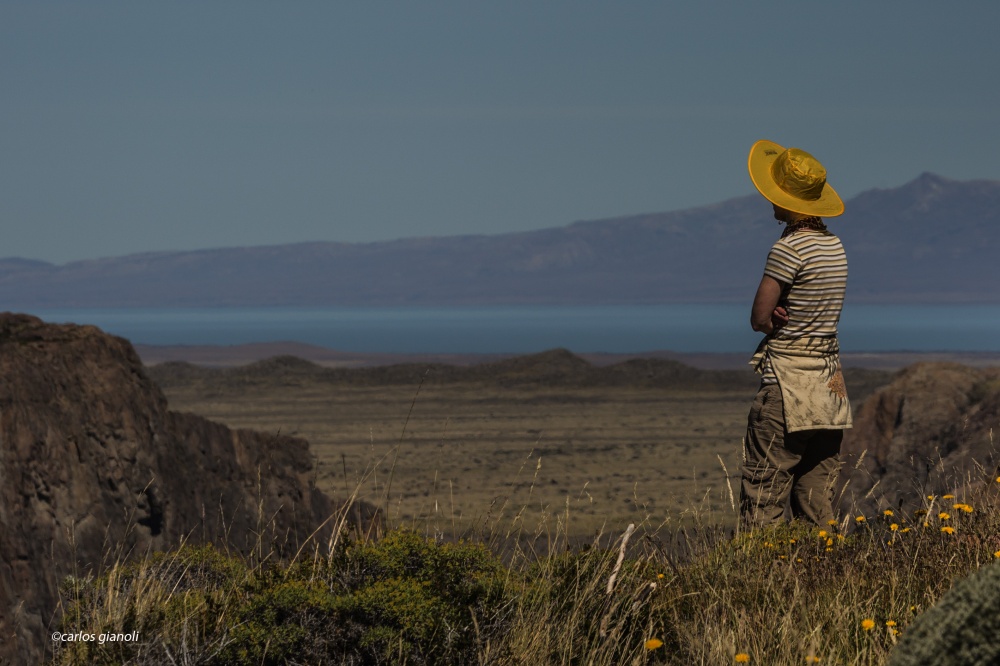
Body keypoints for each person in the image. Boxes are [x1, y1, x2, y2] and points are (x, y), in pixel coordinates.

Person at [740, 140, 852, 527]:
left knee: (764, 495)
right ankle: (822, 573)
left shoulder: (787, 249)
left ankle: (761, 580)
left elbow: (758, 317)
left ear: (788, 202)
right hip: (829, 386)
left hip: (786, 386)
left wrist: (773, 319)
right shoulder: (835, 247)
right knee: (816, 499)